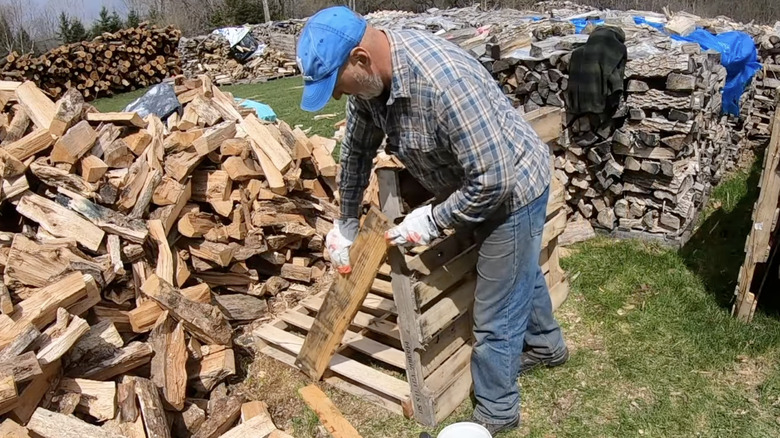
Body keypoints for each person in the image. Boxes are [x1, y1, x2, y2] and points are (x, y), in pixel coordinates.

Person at [296, 6, 568, 434]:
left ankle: (497, 410)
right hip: (473, 183)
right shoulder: (371, 88)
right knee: (519, 271)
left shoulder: (442, 82)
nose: (336, 97)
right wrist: (345, 221)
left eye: (336, 85)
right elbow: (355, 155)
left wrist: (434, 221)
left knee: (495, 310)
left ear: (361, 59)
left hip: (513, 189)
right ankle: (548, 347)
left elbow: (494, 181)